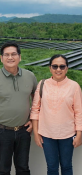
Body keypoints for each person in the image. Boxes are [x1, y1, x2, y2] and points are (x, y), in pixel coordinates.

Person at [30, 54, 82, 175]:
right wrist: (36, 133)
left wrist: (79, 133)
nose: (58, 69)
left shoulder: (74, 86)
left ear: (67, 68)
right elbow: (35, 110)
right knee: (52, 168)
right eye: (55, 66)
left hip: (67, 134)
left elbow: (79, 112)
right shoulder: (42, 84)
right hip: (47, 134)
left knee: (66, 166)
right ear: (50, 68)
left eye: (62, 66)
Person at [0, 41, 37, 175]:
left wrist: (33, 120)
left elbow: (36, 100)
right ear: (1, 58)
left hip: (24, 131)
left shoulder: (30, 76)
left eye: (14, 54)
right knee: (3, 170)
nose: (10, 57)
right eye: (7, 55)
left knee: (23, 168)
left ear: (19, 57)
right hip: (2, 131)